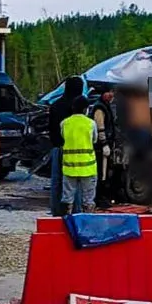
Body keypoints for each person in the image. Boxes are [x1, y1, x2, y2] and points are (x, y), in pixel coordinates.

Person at [46, 76, 85, 215]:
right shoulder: (78, 107)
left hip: (58, 148)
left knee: (57, 182)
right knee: (75, 183)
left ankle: (56, 211)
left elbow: (51, 128)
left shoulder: (55, 105)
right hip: (75, 150)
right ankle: (76, 212)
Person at [58, 95, 99, 215]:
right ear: (86, 109)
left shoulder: (64, 123)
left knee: (67, 199)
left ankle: (66, 224)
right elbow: (95, 140)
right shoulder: (91, 123)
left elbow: (63, 138)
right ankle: (87, 225)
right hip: (88, 168)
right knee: (88, 200)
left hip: (69, 167)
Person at [89, 89, 117, 206]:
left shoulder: (106, 106)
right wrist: (104, 143)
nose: (111, 94)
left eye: (112, 92)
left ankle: (102, 197)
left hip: (106, 144)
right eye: (108, 91)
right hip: (100, 146)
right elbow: (100, 127)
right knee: (101, 172)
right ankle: (99, 198)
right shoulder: (99, 108)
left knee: (105, 172)